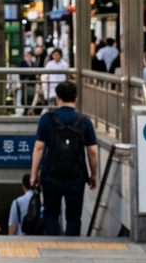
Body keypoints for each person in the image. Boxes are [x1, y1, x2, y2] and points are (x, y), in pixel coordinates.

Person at [30, 81, 98, 236]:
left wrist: (34, 174)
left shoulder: (47, 119)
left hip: (51, 176)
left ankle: (53, 246)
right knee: (74, 217)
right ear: (76, 99)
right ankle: (72, 248)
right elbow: (92, 151)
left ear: (57, 98)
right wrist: (93, 174)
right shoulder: (84, 121)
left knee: (51, 214)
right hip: (76, 176)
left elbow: (39, 148)